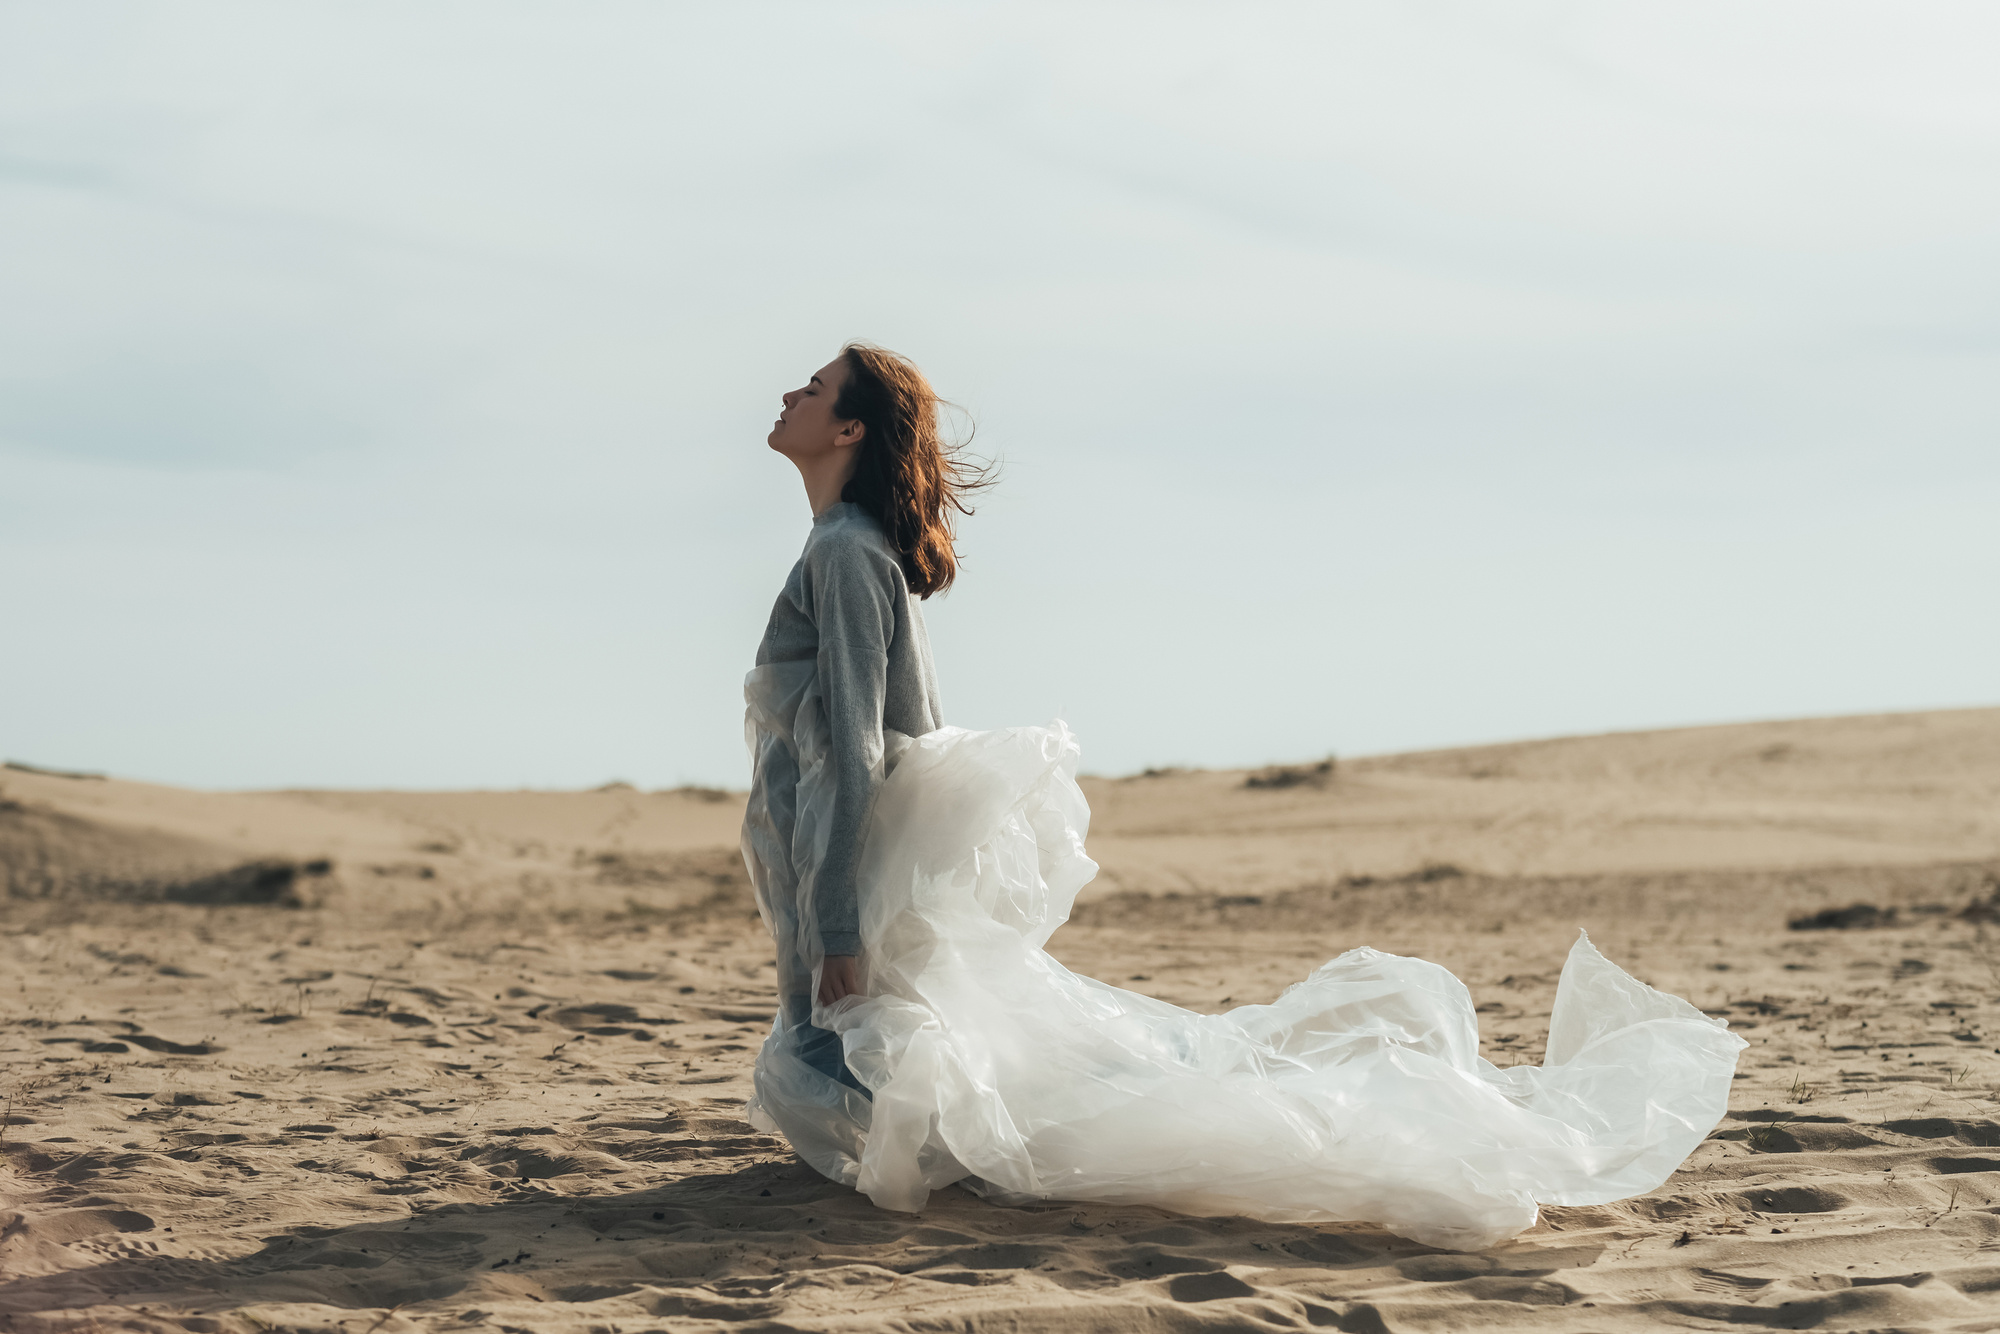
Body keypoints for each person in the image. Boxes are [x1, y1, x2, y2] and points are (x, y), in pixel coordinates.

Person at [738, 344, 1746, 1251]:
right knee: (882, 1048)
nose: (791, 390)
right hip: (836, 838)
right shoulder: (853, 547)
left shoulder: (842, 551)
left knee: (883, 1051)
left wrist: (834, 919)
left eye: (815, 386)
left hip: (843, 844)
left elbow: (862, 745)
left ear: (850, 427)